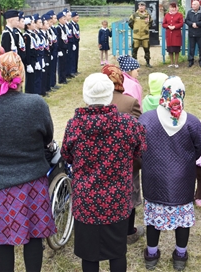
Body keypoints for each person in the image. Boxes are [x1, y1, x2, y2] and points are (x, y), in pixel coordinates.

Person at [0, 52, 56, 271]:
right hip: (31, 179)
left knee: (2, 238)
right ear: (20, 73)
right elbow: (47, 137)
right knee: (34, 235)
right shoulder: (35, 103)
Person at [61, 73, 146, 272]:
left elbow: (67, 154)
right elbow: (140, 150)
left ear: (86, 96)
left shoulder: (75, 125)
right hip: (117, 198)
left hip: (86, 199)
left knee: (89, 254)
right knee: (117, 251)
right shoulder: (128, 125)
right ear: (110, 94)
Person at [139, 76, 201, 271]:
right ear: (182, 95)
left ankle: (151, 254)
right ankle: (180, 255)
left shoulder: (146, 119)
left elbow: (139, 146)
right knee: (182, 219)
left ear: (163, 94)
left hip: (154, 177)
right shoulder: (192, 123)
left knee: (153, 217)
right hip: (183, 179)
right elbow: (199, 148)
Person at [101, 64, 145, 245]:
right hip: (126, 159)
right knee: (130, 193)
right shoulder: (129, 102)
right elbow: (139, 131)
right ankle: (129, 231)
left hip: (100, 158)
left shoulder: (94, 102)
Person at [185, 0, 201, 68]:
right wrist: (192, 24)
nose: (193, 6)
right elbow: (186, 20)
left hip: (200, 33)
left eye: (194, 4)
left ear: (198, 5)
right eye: (192, 4)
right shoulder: (189, 12)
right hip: (192, 33)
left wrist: (197, 24)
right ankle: (190, 61)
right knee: (191, 48)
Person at [129, 2, 153, 68]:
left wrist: (146, 28)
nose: (141, 7)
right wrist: (135, 29)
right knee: (134, 50)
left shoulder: (148, 15)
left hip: (145, 36)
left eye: (142, 6)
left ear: (145, 7)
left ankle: (148, 63)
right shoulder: (134, 15)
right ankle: (134, 64)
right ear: (138, 7)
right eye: (140, 6)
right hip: (136, 36)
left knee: (147, 50)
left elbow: (151, 23)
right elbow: (130, 23)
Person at [162, 2, 184, 68]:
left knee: (176, 49)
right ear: (169, 8)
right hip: (169, 34)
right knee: (170, 49)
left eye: (174, 7)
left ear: (176, 8)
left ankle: (176, 63)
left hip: (176, 34)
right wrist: (168, 26)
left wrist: (175, 26)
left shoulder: (179, 15)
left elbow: (181, 23)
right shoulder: (167, 15)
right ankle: (171, 63)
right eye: (171, 7)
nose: (172, 9)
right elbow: (163, 24)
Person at [68, 11, 81, 76]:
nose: (77, 19)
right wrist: (73, 42)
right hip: (73, 42)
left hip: (76, 42)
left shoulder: (76, 25)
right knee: (72, 57)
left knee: (76, 56)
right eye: (76, 18)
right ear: (72, 18)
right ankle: (72, 70)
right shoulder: (71, 25)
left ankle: (75, 69)